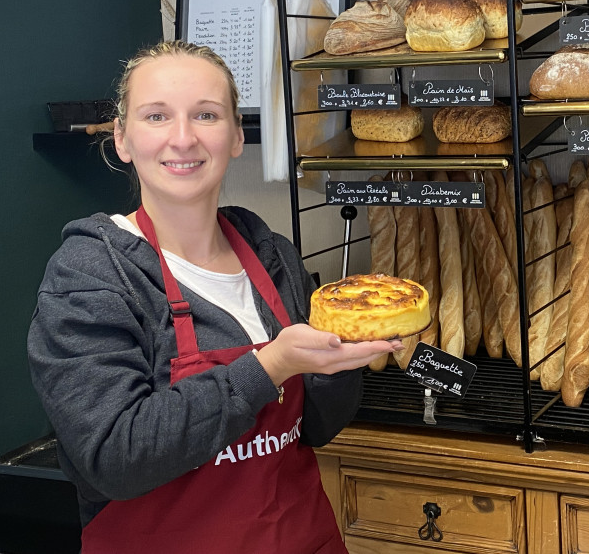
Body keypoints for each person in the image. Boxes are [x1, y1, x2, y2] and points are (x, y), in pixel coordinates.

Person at [27, 41, 399, 553]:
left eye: (206, 114)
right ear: (122, 139)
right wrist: (268, 367)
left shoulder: (272, 255)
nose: (183, 138)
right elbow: (114, 457)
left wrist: (344, 359)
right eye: (157, 116)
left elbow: (315, 428)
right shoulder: (92, 272)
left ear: (236, 137)